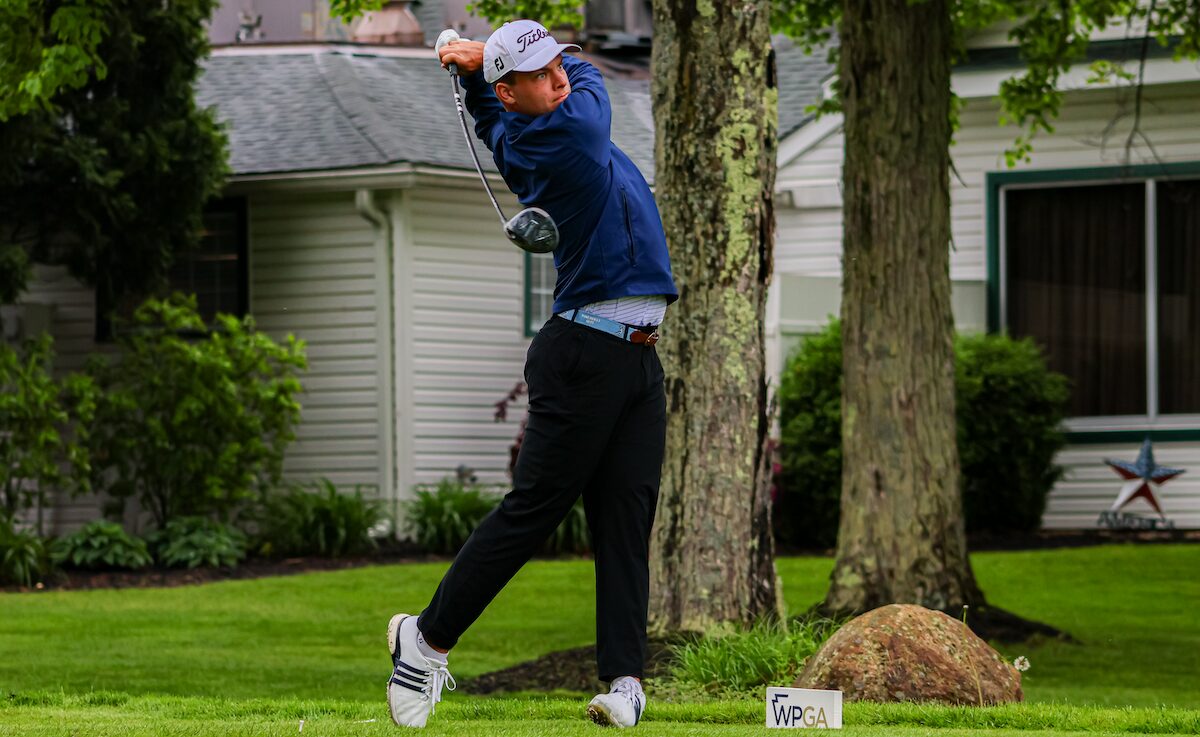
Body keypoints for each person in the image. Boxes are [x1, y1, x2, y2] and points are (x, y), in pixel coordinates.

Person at [385, 19, 677, 729]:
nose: (558, 77)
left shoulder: (518, 126)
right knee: (534, 511)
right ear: (514, 92)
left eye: (554, 67)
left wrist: (479, 70)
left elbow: (493, 113)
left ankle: (624, 681)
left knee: (625, 517)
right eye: (539, 74)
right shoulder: (568, 132)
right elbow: (592, 79)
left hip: (634, 355)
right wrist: (488, 58)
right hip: (586, 353)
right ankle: (423, 639)